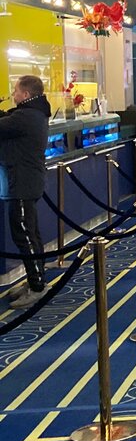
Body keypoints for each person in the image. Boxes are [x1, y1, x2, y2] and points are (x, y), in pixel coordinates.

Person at [0, 75, 52, 305]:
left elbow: (4, 124)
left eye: (16, 91)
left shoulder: (26, 116)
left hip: (22, 182)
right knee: (31, 232)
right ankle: (35, 279)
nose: (13, 95)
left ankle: (37, 285)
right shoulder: (34, 113)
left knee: (24, 234)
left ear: (26, 94)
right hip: (26, 181)